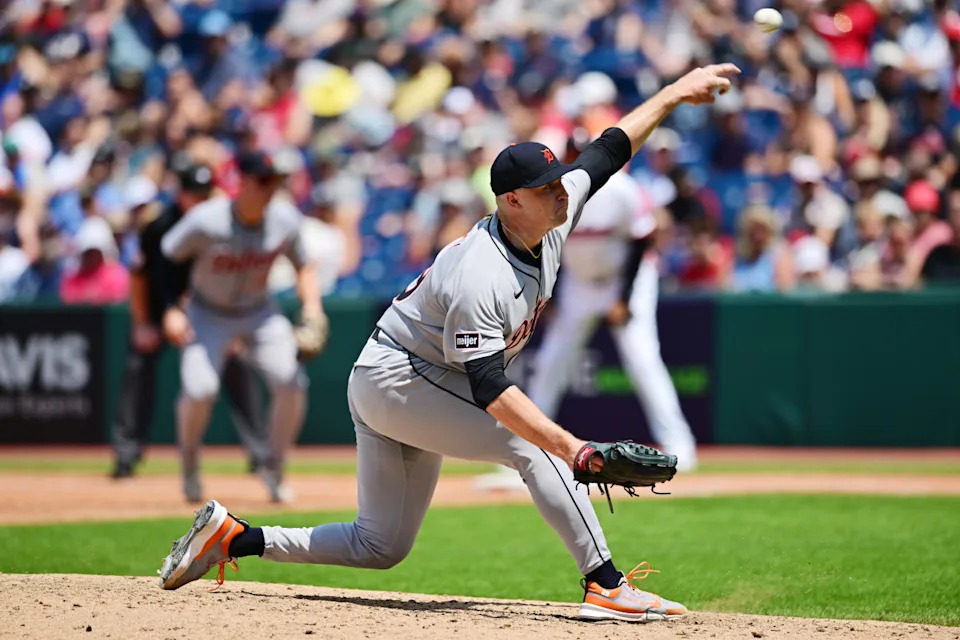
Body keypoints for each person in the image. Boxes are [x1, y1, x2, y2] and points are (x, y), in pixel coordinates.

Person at [158, 63, 740, 623]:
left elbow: (610, 148)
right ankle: (606, 585)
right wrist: (575, 449)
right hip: (399, 378)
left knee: (379, 543)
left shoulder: (555, 213)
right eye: (544, 188)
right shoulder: (480, 271)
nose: (560, 191)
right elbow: (489, 386)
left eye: (559, 180)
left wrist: (672, 93)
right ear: (511, 201)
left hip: (413, 375)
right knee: (533, 446)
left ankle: (236, 537)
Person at [476, 164, 698, 494]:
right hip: (579, 284)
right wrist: (546, 295)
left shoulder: (620, 188)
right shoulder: (552, 193)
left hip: (623, 280)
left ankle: (680, 445)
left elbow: (641, 242)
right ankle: (526, 449)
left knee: (642, 359)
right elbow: (544, 247)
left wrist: (623, 298)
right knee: (551, 363)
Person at [159, 150, 323, 503]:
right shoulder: (205, 220)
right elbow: (169, 259)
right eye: (263, 181)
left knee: (291, 381)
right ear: (242, 183)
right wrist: (172, 308)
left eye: (275, 182)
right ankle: (189, 466)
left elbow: (304, 265)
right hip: (207, 312)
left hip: (259, 312)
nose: (270, 189)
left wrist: (312, 308)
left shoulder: (285, 219)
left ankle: (274, 469)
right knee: (200, 390)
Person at [109, 162, 271, 480]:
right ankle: (126, 455)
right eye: (192, 194)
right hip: (161, 308)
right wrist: (143, 323)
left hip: (211, 310)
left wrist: (234, 326)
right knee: (138, 367)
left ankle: (261, 453)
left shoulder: (224, 223)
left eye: (204, 193)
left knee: (237, 365)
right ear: (179, 194)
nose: (198, 200)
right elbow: (139, 277)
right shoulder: (158, 226)